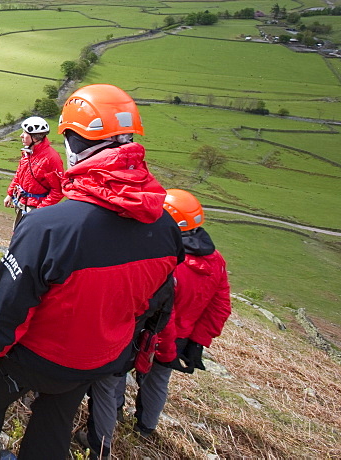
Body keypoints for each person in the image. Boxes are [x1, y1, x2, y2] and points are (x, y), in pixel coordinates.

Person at [0, 83, 183, 460]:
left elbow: (5, 307)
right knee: (55, 422)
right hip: (97, 359)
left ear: (74, 142)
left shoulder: (49, 226)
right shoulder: (165, 227)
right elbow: (156, 302)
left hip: (35, 355)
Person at [81, 189, 231, 457]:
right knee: (158, 382)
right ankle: (145, 427)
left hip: (147, 333)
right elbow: (220, 306)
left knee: (115, 375)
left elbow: (164, 311)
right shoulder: (215, 261)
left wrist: (168, 346)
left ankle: (111, 420)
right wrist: (197, 341)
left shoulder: (168, 258)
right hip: (178, 337)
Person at [4, 116, 64, 228]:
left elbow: (58, 190)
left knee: (29, 239)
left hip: (36, 208)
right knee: (17, 234)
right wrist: (10, 194)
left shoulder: (51, 158)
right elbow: (19, 175)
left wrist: (40, 210)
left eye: (25, 133)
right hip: (22, 203)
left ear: (35, 138)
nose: (21, 136)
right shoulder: (28, 153)